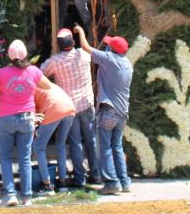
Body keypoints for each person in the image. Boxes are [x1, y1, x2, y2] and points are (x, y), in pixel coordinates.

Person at [0, 39, 53, 207]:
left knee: (6, 157)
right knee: (25, 158)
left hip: (6, 118)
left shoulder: (2, 73)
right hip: (27, 118)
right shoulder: (33, 71)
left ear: (9, 56)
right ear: (26, 54)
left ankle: (10, 195)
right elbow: (48, 86)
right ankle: (26, 197)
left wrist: (1, 90)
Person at [74, 25, 133, 195]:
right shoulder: (127, 64)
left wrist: (80, 31)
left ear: (112, 50)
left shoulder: (109, 59)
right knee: (117, 147)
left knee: (105, 148)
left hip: (108, 112)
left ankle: (111, 182)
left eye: (109, 45)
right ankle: (124, 182)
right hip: (122, 113)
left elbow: (85, 47)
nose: (106, 46)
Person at [41, 28, 100, 187]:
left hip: (70, 108)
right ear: (73, 42)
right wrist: (81, 31)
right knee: (91, 139)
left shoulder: (55, 61)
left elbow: (39, 74)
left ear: (58, 45)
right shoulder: (83, 54)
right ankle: (96, 174)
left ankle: (80, 178)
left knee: (75, 143)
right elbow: (87, 47)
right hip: (86, 104)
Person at [33, 80, 75, 195]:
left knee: (38, 146)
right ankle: (63, 183)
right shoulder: (46, 82)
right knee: (60, 145)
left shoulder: (29, 86)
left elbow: (34, 115)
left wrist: (33, 132)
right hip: (69, 108)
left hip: (53, 108)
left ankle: (47, 185)